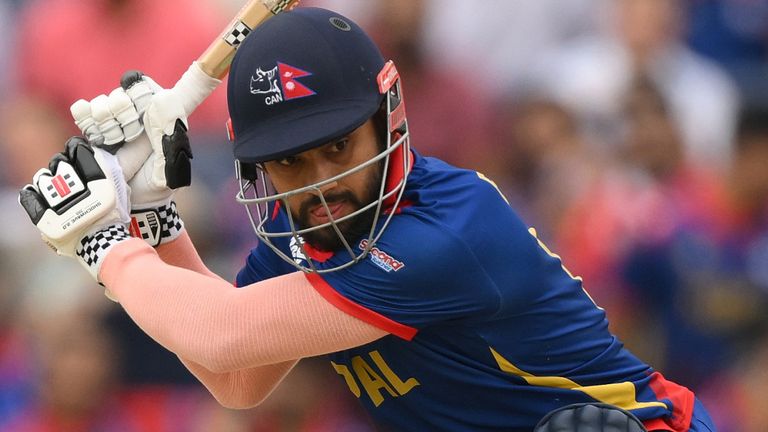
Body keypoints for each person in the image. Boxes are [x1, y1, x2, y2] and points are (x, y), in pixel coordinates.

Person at [18, 7, 716, 431]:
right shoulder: (305, 234)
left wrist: (104, 244)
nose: (324, 184)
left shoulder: (447, 231)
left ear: (388, 120)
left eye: (336, 148)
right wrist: (153, 218)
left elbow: (225, 335)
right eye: (291, 163)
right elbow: (236, 380)